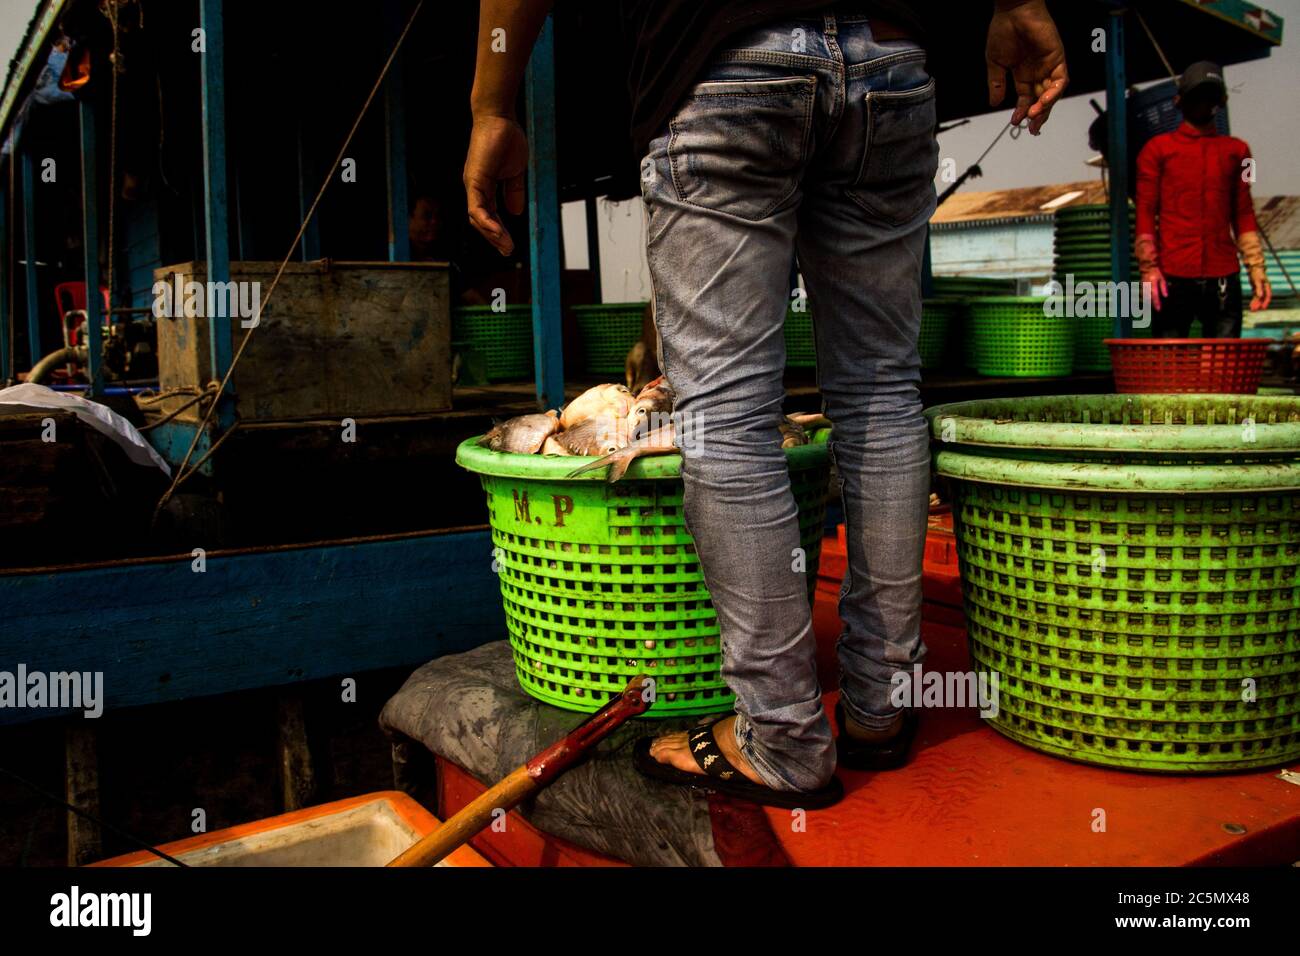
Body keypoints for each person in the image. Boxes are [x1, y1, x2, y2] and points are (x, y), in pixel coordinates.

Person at [464, 0, 1067, 805]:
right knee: (883, 390)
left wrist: (493, 107)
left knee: (724, 415)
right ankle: (881, 708)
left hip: (725, 54)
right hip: (890, 59)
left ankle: (781, 737)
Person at [1135, 61, 1272, 338]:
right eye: (1197, 96)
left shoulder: (1241, 152)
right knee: (1169, 368)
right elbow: (1145, 211)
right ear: (1179, 101)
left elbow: (1244, 211)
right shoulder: (1155, 151)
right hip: (1172, 276)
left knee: (1222, 368)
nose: (1204, 103)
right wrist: (1149, 269)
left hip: (1223, 275)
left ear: (1222, 101)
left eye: (1210, 96)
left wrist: (1257, 268)